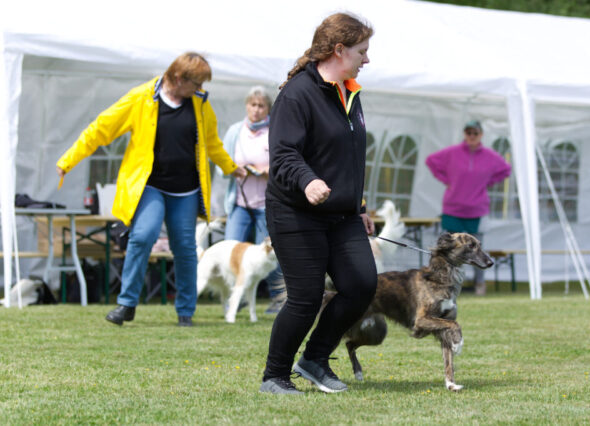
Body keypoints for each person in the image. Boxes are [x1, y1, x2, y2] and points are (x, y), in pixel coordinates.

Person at [56, 52, 246, 327]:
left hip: (185, 191)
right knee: (143, 236)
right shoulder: (141, 97)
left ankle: (185, 311)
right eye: (196, 83)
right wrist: (68, 161)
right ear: (178, 78)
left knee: (184, 248)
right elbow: (101, 128)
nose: (200, 88)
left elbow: (212, 144)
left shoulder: (200, 104)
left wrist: (231, 167)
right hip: (150, 186)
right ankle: (127, 304)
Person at [259, 12, 377, 395]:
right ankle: (275, 376)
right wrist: (308, 181)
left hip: (342, 214)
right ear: (339, 50)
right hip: (295, 212)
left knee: (361, 284)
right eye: (362, 51)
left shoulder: (350, 92)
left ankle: (314, 360)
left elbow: (348, 159)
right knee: (306, 298)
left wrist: (360, 206)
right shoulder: (297, 94)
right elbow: (283, 154)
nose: (367, 59)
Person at [425, 120, 511, 295]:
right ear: (465, 134)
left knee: (478, 249)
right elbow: (430, 161)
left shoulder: (490, 156)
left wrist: (489, 182)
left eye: (475, 133)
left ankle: (479, 284)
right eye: (469, 133)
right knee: (446, 249)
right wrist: (445, 179)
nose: (472, 136)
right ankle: (441, 283)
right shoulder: (452, 152)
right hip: (452, 209)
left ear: (481, 135)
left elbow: (506, 170)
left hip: (476, 210)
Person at [221, 86, 286, 314]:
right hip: (239, 203)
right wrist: (234, 169)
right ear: (246, 106)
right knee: (231, 249)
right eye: (252, 105)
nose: (256, 110)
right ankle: (235, 297)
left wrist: (270, 172)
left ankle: (278, 299)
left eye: (261, 106)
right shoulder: (235, 131)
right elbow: (221, 165)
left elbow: (285, 165)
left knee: (270, 252)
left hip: (267, 204)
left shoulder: (275, 131)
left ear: (268, 108)